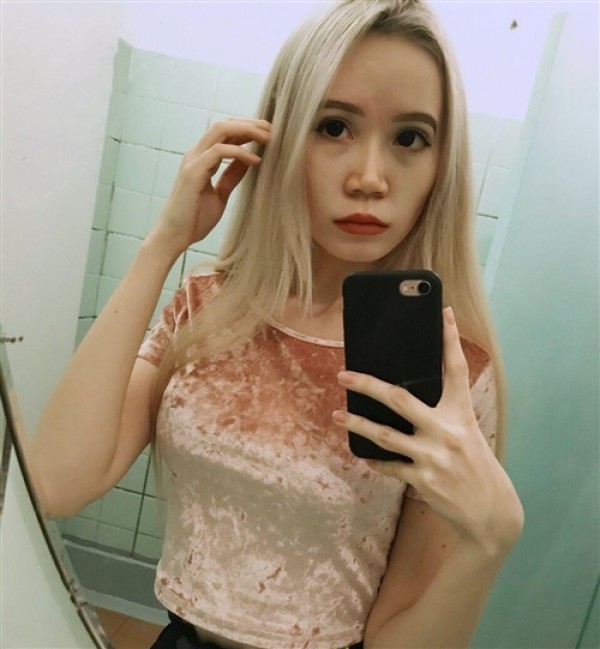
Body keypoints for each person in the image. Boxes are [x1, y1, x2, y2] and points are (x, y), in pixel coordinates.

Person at [30, 1, 525, 647]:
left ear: (441, 166)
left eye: (409, 138)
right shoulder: (208, 304)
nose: (369, 178)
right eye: (334, 126)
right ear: (282, 137)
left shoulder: (453, 372)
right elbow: (56, 482)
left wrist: (487, 547)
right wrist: (163, 244)